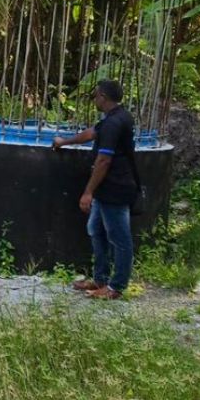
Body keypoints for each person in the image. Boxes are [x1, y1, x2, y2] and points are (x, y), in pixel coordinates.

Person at [52, 79, 138, 300]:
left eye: (96, 95)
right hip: (107, 187)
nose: (94, 99)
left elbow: (103, 161)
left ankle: (116, 287)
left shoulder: (113, 123)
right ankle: (100, 278)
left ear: (103, 97)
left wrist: (88, 192)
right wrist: (64, 141)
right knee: (96, 230)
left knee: (119, 238)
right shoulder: (116, 117)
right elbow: (91, 133)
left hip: (115, 187)